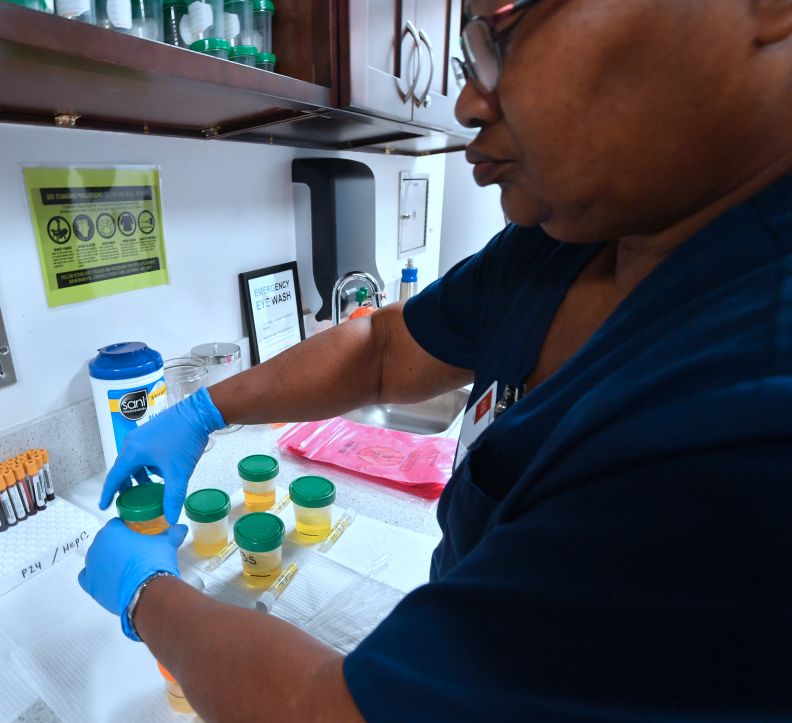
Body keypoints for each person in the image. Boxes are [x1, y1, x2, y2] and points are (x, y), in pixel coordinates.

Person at [78, 1, 792, 720]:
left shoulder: (749, 404)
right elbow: (384, 348)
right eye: (466, 55)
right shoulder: (571, 238)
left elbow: (328, 711)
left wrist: (148, 595)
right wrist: (206, 409)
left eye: (504, 31)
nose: (468, 100)